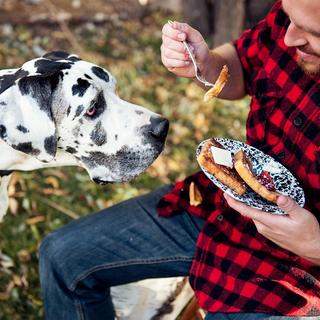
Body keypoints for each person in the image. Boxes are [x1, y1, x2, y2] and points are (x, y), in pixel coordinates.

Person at [38, 0, 320, 319]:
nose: (289, 38)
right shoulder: (294, 18)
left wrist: (314, 244)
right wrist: (207, 64)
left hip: (297, 277)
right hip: (224, 208)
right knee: (63, 257)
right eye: (288, 19)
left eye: (313, 33)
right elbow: (244, 64)